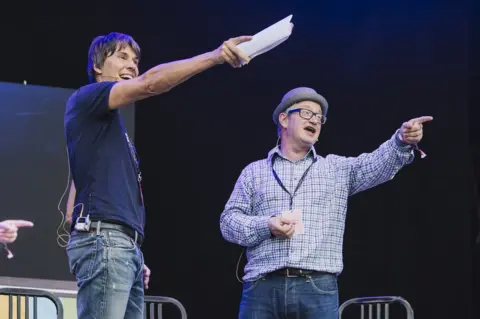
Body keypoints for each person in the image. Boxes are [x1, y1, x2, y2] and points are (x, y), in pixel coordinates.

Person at [65, 31, 253, 318]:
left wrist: (131, 251)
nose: (132, 65)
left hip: (121, 247)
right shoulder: (89, 97)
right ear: (97, 66)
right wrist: (216, 56)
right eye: (122, 56)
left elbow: (76, 191)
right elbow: (150, 83)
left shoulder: (108, 127)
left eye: (136, 60)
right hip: (106, 243)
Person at [220, 87, 433, 319]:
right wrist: (267, 225)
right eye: (307, 113)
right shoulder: (254, 172)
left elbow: (376, 165)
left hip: (316, 287)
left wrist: (401, 140)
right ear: (283, 119)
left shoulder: (335, 169)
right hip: (262, 287)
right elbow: (229, 222)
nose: (315, 120)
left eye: (319, 117)